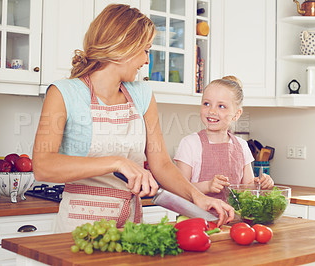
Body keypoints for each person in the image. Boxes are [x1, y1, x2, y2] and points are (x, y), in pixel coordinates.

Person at [32, 4, 234, 233]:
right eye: (146, 50)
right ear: (124, 46)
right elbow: (42, 166)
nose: (147, 60)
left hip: (131, 225)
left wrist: (197, 197)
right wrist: (117, 162)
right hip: (79, 227)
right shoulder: (63, 93)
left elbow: (162, 164)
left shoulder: (142, 94)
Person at [174, 76, 274, 205]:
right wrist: (207, 186)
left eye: (221, 106)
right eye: (206, 104)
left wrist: (261, 183)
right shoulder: (190, 144)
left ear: (236, 114)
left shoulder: (242, 146)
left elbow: (247, 188)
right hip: (197, 220)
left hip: (235, 220)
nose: (212, 111)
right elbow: (179, 189)